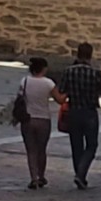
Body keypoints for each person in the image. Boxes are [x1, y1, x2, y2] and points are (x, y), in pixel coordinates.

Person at [58, 42, 101, 188]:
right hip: (90, 112)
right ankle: (81, 174)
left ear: (77, 54)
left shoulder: (69, 71)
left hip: (73, 111)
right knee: (92, 145)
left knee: (76, 145)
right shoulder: (96, 73)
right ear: (91, 55)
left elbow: (62, 90)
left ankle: (79, 174)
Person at [12, 55, 61, 190]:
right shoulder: (48, 83)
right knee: (41, 150)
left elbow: (19, 98)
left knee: (31, 150)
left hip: (28, 119)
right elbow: (60, 100)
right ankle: (41, 175)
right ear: (44, 69)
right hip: (43, 119)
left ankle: (33, 178)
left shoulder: (25, 81)